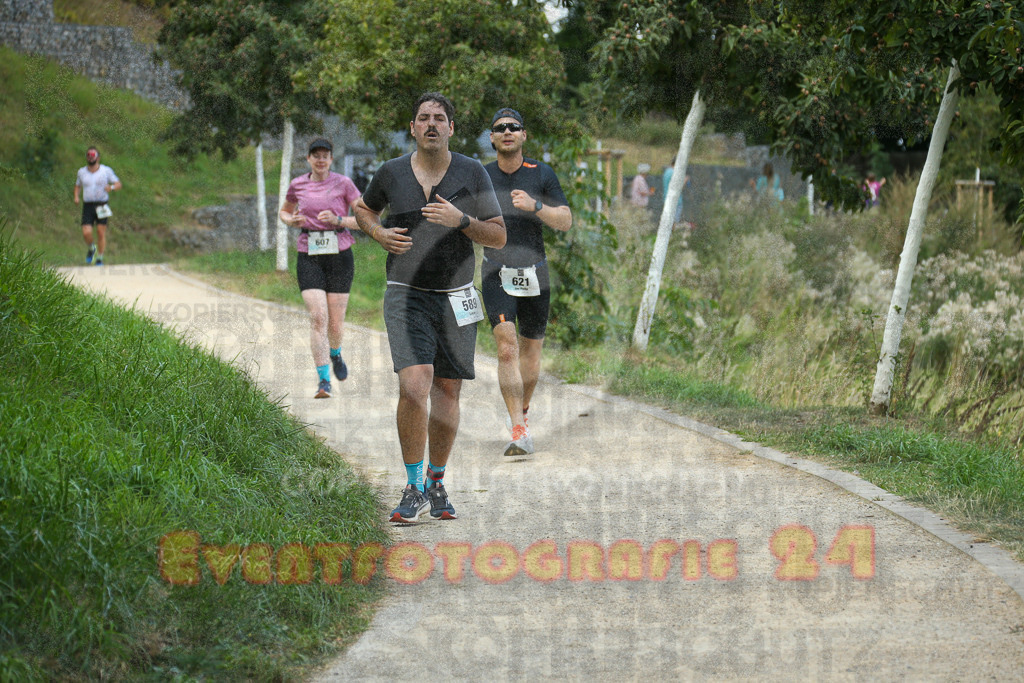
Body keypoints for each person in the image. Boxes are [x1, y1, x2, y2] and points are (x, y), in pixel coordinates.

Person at [353, 93, 505, 524]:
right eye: (424, 118)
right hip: (405, 292)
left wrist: (461, 220)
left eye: (440, 118)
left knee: (447, 392)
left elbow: (497, 235)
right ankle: (413, 485)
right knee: (415, 384)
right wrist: (378, 234)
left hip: (457, 296)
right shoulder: (392, 172)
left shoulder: (472, 172)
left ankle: (437, 482)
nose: (432, 124)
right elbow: (364, 209)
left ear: (452, 128)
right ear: (414, 127)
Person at [483, 107, 572, 457]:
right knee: (507, 346)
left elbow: (564, 221)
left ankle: (522, 412)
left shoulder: (541, 174)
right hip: (495, 271)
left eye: (513, 127)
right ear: (491, 138)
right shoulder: (482, 175)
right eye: (500, 128)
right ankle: (518, 431)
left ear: (523, 135)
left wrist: (536, 206)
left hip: (535, 271)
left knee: (531, 352)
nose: (507, 131)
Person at [278, 138, 361, 399]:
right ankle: (324, 381)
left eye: (325, 155)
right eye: (316, 155)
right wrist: (291, 220)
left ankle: (335, 353)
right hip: (309, 254)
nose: (321, 160)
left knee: (335, 325)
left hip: (339, 255)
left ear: (331, 159)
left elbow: (364, 217)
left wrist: (338, 219)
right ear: (308, 159)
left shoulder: (344, 183)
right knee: (318, 318)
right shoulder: (298, 184)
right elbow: (284, 211)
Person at [74, 146, 121, 266]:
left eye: (93, 156)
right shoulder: (81, 172)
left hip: (102, 204)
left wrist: (110, 187)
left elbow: (118, 184)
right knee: (86, 232)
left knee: (100, 232)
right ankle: (91, 248)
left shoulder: (106, 171)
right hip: (88, 205)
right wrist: (76, 196)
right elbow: (78, 185)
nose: (90, 158)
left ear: (98, 158)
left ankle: (100, 257)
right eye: (88, 156)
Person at [662, 157, 690, 225]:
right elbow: (678, 188)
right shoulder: (674, 173)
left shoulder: (667, 172)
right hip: (676, 201)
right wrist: (685, 180)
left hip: (667, 199)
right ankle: (673, 235)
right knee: (674, 222)